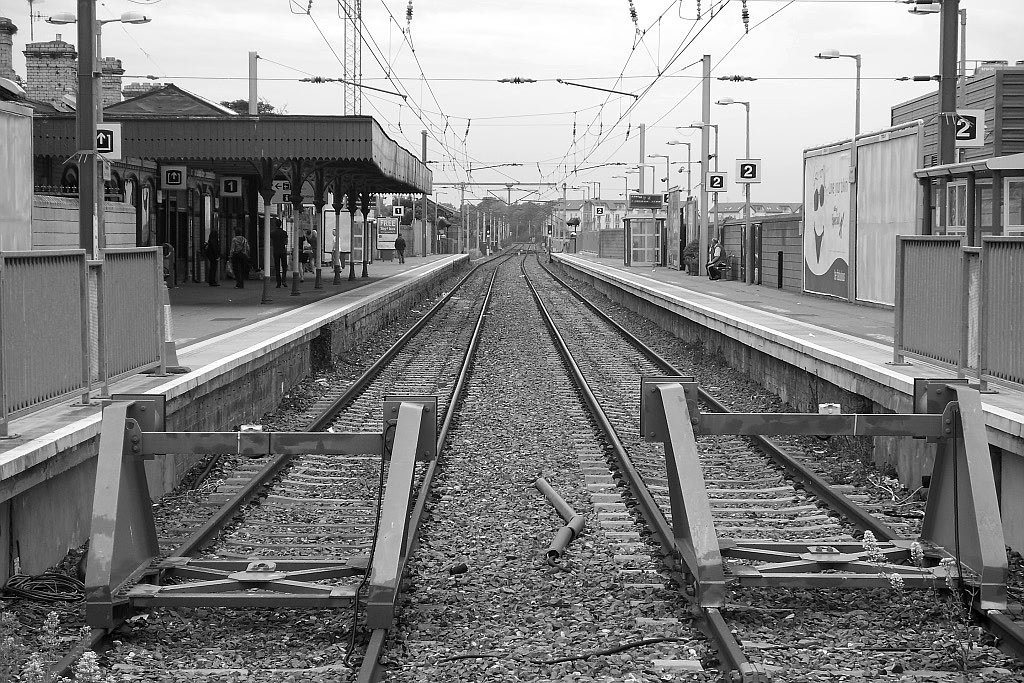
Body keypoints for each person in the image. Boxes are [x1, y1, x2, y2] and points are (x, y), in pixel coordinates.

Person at [270, 219, 288, 288]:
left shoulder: (272, 233)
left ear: (275, 224)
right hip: (283, 251)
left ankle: (278, 282)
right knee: (284, 266)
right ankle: (284, 280)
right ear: (281, 224)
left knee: (277, 267)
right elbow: (286, 242)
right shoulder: (284, 232)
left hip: (276, 251)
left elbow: (271, 242)